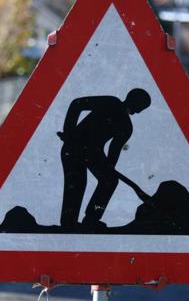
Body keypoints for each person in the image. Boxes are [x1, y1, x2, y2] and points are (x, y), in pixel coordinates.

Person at [57, 88, 151, 230]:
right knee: (77, 182)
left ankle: (91, 219)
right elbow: (77, 104)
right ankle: (70, 223)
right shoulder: (111, 102)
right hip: (73, 147)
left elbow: (113, 155)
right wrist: (69, 133)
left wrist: (109, 168)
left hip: (92, 153)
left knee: (109, 180)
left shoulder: (126, 127)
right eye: (141, 106)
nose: (139, 110)